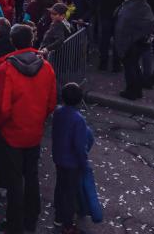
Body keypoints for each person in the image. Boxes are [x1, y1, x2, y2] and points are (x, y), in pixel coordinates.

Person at [0, 24, 57, 234]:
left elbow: (1, 106)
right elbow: (51, 101)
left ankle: (15, 223)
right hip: (33, 129)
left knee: (14, 181)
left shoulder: (7, 68)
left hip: (10, 131)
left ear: (13, 42)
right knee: (31, 176)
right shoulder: (46, 67)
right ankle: (31, 219)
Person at [51, 82, 92, 234]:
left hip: (59, 157)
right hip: (72, 162)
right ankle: (68, 225)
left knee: (60, 187)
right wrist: (84, 163)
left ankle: (58, 216)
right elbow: (79, 146)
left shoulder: (58, 112)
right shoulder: (78, 120)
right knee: (70, 193)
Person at [114, 0, 154, 100]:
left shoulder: (135, 6)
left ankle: (132, 91)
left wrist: (135, 36)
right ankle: (136, 90)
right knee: (134, 67)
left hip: (132, 43)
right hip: (133, 42)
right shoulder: (139, 5)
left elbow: (151, 24)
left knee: (130, 68)